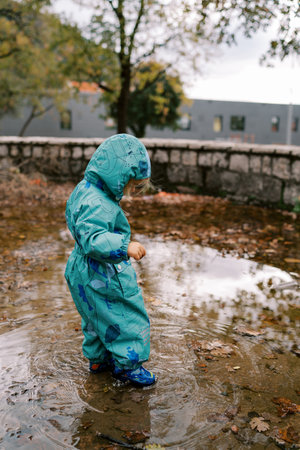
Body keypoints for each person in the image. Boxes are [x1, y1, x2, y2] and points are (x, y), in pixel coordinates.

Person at [64, 134, 155, 387]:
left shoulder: (84, 189)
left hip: (80, 269)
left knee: (94, 316)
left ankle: (98, 360)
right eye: (130, 186)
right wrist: (125, 246)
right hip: (101, 272)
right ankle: (128, 366)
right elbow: (92, 238)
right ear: (119, 176)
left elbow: (78, 227)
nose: (129, 193)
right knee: (125, 314)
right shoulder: (98, 203)